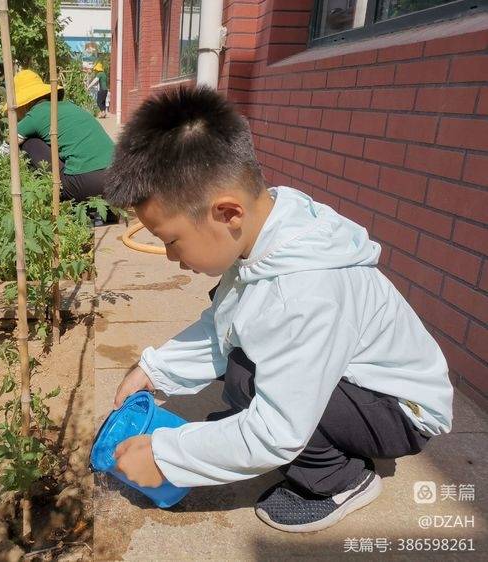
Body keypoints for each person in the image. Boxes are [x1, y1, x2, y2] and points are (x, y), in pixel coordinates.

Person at [105, 86, 453, 533]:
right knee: (242, 360)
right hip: (352, 377)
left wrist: (166, 457)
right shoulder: (265, 228)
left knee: (253, 385)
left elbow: (277, 431)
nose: (171, 257)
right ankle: (314, 442)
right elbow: (220, 327)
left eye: (171, 240)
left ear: (227, 212)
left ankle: (339, 481)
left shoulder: (305, 293)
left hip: (401, 410)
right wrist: (156, 371)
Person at [0, 70, 114, 205]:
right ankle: (106, 210)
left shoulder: (35, 115)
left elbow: (7, 146)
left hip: (85, 183)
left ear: (24, 103)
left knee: (28, 142)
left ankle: (53, 202)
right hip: (117, 179)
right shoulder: (70, 106)